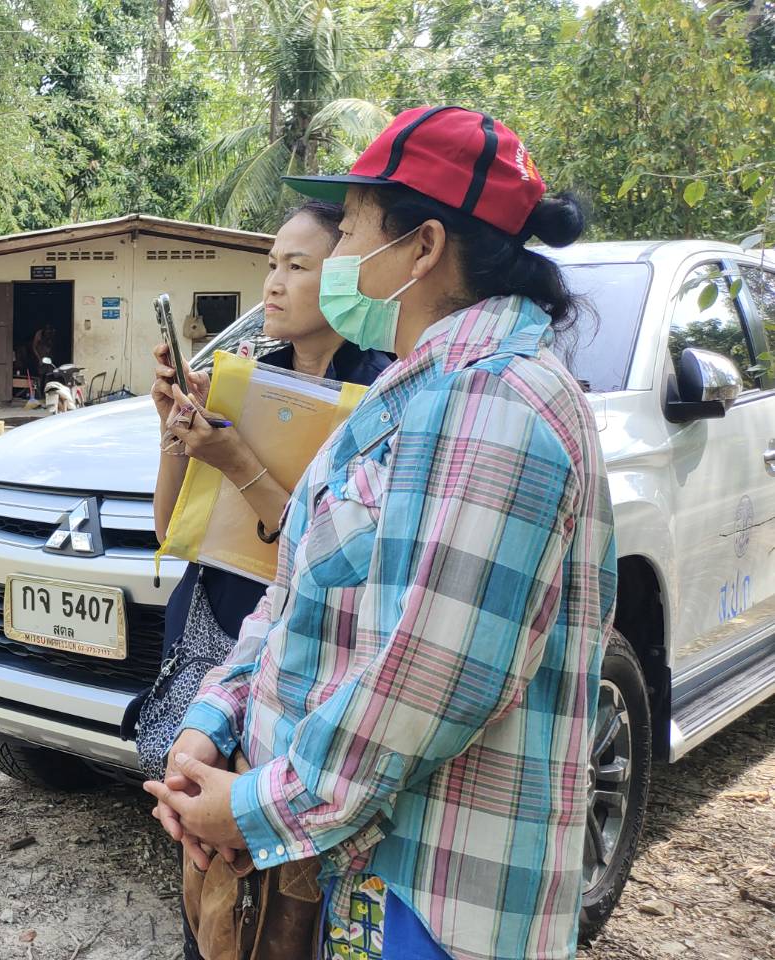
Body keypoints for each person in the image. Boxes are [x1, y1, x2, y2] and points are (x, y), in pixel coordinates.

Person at [146, 106, 616, 960]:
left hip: (433, 896)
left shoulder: (496, 405)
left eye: (352, 228)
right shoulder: (419, 392)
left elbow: (431, 680)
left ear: (422, 248)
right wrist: (211, 723)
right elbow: (295, 594)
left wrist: (252, 809)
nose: (336, 258)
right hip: (359, 862)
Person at [145, 200, 389, 960]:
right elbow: (169, 527)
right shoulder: (250, 375)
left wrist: (238, 463)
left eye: (298, 265)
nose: (272, 285)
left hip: (308, 669)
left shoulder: (380, 394)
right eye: (270, 264)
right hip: (223, 640)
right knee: (211, 886)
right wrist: (178, 434)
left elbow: (336, 560)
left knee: (291, 900)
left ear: (349, 275)